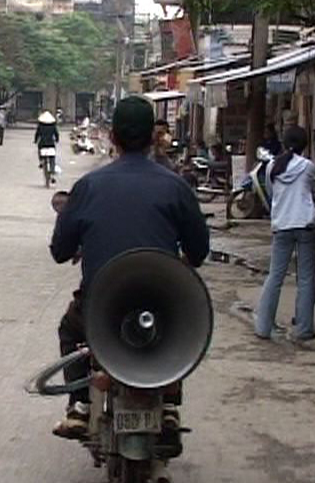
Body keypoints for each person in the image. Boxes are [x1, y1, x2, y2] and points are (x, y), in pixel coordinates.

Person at [50, 96, 210, 439]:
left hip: (101, 302)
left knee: (70, 330)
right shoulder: (176, 186)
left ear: (112, 137)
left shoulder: (89, 187)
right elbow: (198, 252)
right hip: (161, 301)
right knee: (177, 328)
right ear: (154, 136)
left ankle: (79, 406)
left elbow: (60, 251)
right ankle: (169, 404)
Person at [255, 126, 315, 341]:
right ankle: (303, 329)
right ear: (304, 145)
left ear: (283, 142)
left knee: (275, 276)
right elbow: (311, 189)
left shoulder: (273, 166)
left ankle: (263, 327)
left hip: (281, 225)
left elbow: (271, 193)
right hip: (305, 225)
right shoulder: (308, 167)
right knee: (306, 277)